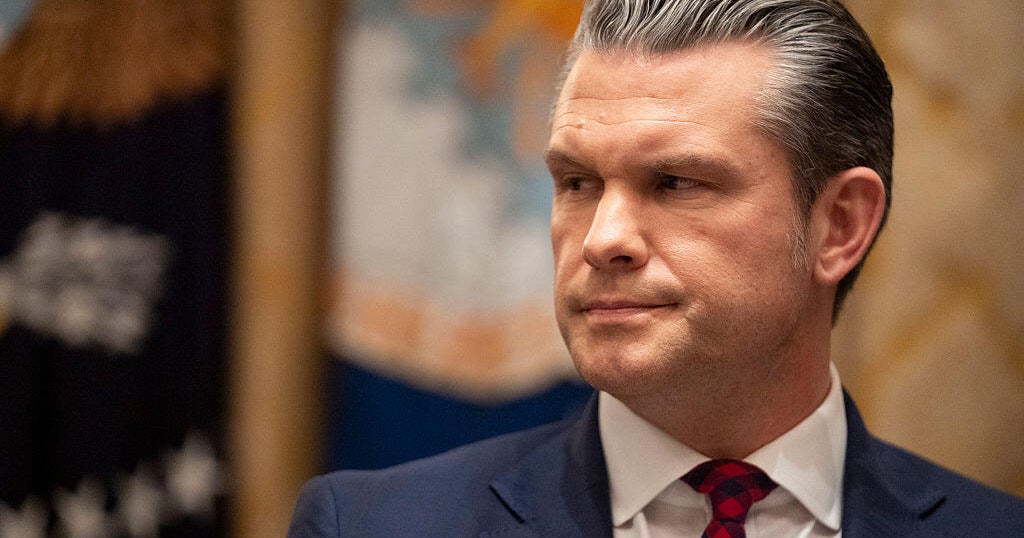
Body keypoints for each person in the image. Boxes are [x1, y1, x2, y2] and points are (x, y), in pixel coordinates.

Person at [288, 1, 1024, 536]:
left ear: (840, 226)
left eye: (676, 183)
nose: (602, 239)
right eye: (577, 183)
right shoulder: (371, 525)